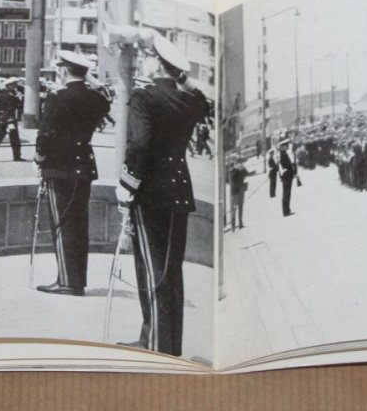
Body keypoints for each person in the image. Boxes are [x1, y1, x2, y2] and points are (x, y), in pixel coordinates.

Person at [116, 32, 209, 356]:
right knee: (170, 271)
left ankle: (155, 345)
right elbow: (204, 100)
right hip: (179, 192)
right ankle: (167, 343)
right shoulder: (190, 101)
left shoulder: (144, 97)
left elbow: (139, 146)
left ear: (154, 62)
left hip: (151, 193)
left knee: (152, 269)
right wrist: (183, 78)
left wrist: (126, 186)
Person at [33, 52, 110, 296]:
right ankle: (76, 280)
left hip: (59, 166)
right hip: (83, 166)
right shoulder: (96, 98)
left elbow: (45, 135)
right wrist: (91, 79)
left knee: (63, 223)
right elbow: (106, 97)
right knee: (79, 224)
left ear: (64, 71)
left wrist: (39, 159)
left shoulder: (58, 96)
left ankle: (68, 282)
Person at [278, 136, 298, 217]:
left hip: (287, 175)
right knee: (286, 193)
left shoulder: (284, 154)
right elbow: (285, 166)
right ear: (282, 147)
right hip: (286, 176)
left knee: (287, 193)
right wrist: (292, 167)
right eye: (286, 145)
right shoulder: (282, 155)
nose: (287, 146)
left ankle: (287, 209)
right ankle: (285, 211)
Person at [228, 157, 248, 231]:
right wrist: (237, 169)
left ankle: (240, 224)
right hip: (234, 192)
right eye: (239, 162)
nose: (240, 164)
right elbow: (232, 180)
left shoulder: (241, 170)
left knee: (241, 207)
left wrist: (242, 168)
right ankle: (233, 226)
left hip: (241, 191)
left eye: (241, 162)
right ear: (235, 163)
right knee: (234, 209)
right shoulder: (232, 170)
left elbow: (246, 173)